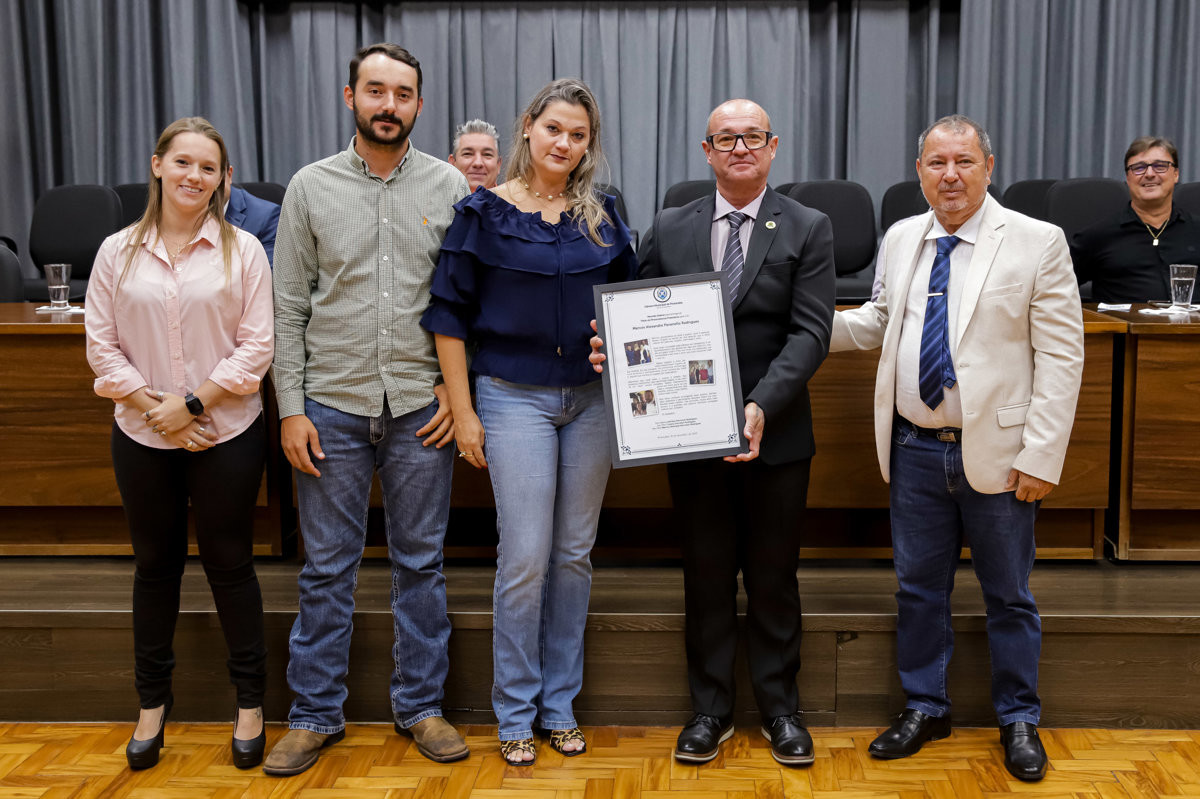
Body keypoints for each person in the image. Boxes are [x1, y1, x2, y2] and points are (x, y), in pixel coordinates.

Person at [831, 115, 1084, 782]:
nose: (950, 174)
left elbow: (1062, 357)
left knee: (1009, 595)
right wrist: (794, 327)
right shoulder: (901, 237)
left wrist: (1041, 454)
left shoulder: (1037, 242)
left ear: (988, 166)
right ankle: (925, 704)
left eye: (964, 162)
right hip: (914, 447)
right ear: (919, 172)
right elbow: (878, 322)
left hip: (999, 455)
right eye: (937, 162)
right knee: (917, 590)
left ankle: (1019, 717)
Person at [592, 98, 835, 766]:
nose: (738, 148)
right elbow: (636, 318)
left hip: (776, 434)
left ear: (773, 145)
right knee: (704, 577)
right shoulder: (670, 226)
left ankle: (780, 708)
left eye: (751, 137)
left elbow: (811, 333)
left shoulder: (808, 227)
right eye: (724, 138)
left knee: (773, 577)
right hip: (689, 436)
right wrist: (612, 346)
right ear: (705, 150)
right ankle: (709, 710)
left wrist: (758, 406)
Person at [264, 43, 471, 777]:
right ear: (349, 97)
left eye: (404, 93)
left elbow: (465, 303)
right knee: (326, 567)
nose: (389, 104)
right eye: (376, 91)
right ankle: (315, 713)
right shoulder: (309, 187)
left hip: (422, 408)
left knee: (421, 561)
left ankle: (421, 705)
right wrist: (291, 408)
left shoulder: (450, 186)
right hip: (331, 405)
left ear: (420, 104)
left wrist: (455, 389)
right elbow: (287, 307)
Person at [422, 78, 636, 766]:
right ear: (527, 129)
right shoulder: (481, 212)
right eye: (554, 130)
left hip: (590, 403)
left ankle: (558, 704)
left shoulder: (603, 216)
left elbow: (630, 308)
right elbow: (449, 318)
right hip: (512, 399)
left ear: (588, 145)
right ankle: (514, 708)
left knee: (573, 556)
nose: (565, 144)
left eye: (578, 135)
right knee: (524, 558)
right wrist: (463, 412)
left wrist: (618, 340)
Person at [84, 116, 274, 771]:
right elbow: (101, 347)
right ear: (158, 165)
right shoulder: (117, 251)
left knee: (231, 564)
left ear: (224, 178)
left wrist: (191, 405)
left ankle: (250, 704)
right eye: (184, 163)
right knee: (154, 567)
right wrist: (154, 409)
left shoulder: (242, 249)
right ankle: (151, 707)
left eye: (209, 167)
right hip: (141, 434)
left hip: (227, 432)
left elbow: (258, 346)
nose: (196, 176)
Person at [1071, 136, 1200, 302]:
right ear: (1127, 178)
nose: (1150, 174)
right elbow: (1054, 290)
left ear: (1176, 174)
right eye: (1138, 168)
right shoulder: (1097, 237)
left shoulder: (1196, 231)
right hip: (1123, 327)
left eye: (1160, 166)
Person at [224, 167, 281, 267]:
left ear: (228, 175)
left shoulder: (267, 216)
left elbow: (269, 279)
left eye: (208, 169)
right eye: (185, 164)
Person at [448, 119, 503, 191]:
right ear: (452, 163)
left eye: (487, 154)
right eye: (468, 154)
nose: (478, 163)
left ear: (498, 165)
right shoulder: (434, 201)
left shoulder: (514, 201)